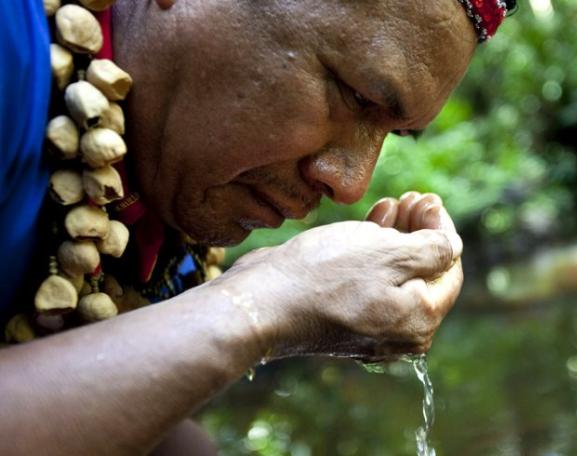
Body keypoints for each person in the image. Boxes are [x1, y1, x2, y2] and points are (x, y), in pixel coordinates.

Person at [0, 0, 511, 454]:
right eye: (357, 96)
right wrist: (260, 305)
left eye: (396, 133)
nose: (352, 184)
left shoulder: (165, 191)